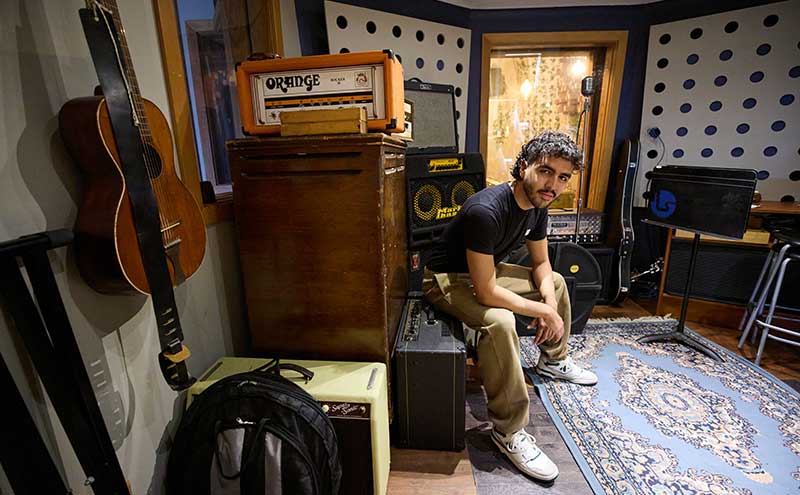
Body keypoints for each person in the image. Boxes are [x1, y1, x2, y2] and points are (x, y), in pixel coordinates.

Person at [423, 130, 598, 482]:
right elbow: (487, 292)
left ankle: (553, 360)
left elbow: (542, 264)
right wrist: (542, 312)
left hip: (484, 272)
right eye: (546, 171)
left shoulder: (539, 206)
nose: (553, 184)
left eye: (563, 177)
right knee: (500, 321)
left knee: (556, 283)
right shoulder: (485, 211)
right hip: (444, 280)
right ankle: (508, 431)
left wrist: (549, 303)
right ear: (523, 168)